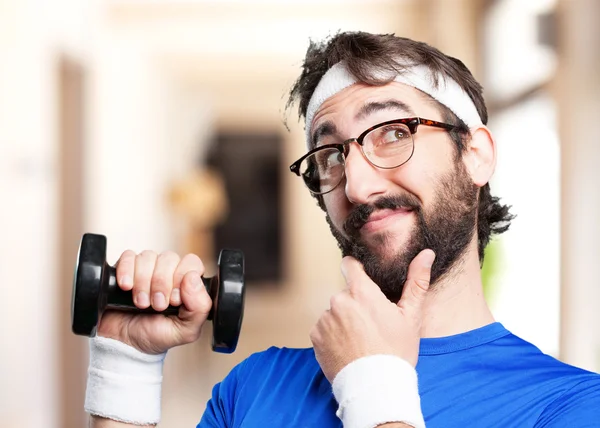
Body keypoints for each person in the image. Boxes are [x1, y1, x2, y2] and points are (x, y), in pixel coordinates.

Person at [86, 32, 600, 428]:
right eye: (331, 154)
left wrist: (374, 390)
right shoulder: (253, 386)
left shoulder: (569, 407)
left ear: (476, 154)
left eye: (394, 133)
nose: (356, 183)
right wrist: (124, 366)